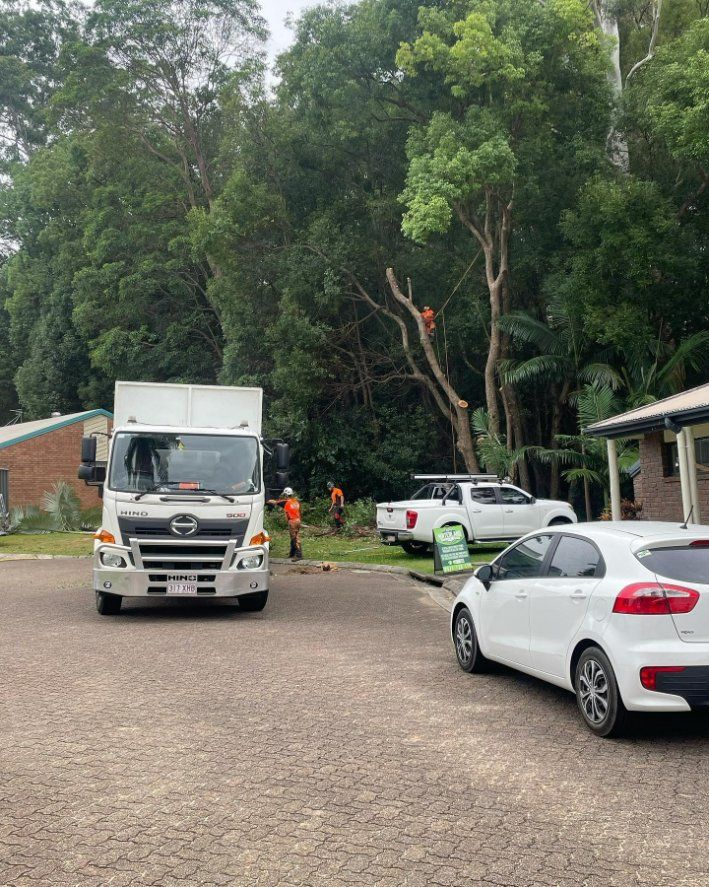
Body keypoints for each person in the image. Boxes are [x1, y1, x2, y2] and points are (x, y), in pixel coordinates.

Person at [267, 487, 303, 560]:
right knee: (294, 537)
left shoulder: (286, 502)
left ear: (286, 495)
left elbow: (275, 502)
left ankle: (299, 555)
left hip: (292, 521)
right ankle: (292, 553)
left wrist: (267, 501)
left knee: (294, 538)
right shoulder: (296, 502)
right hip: (298, 520)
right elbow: (299, 511)